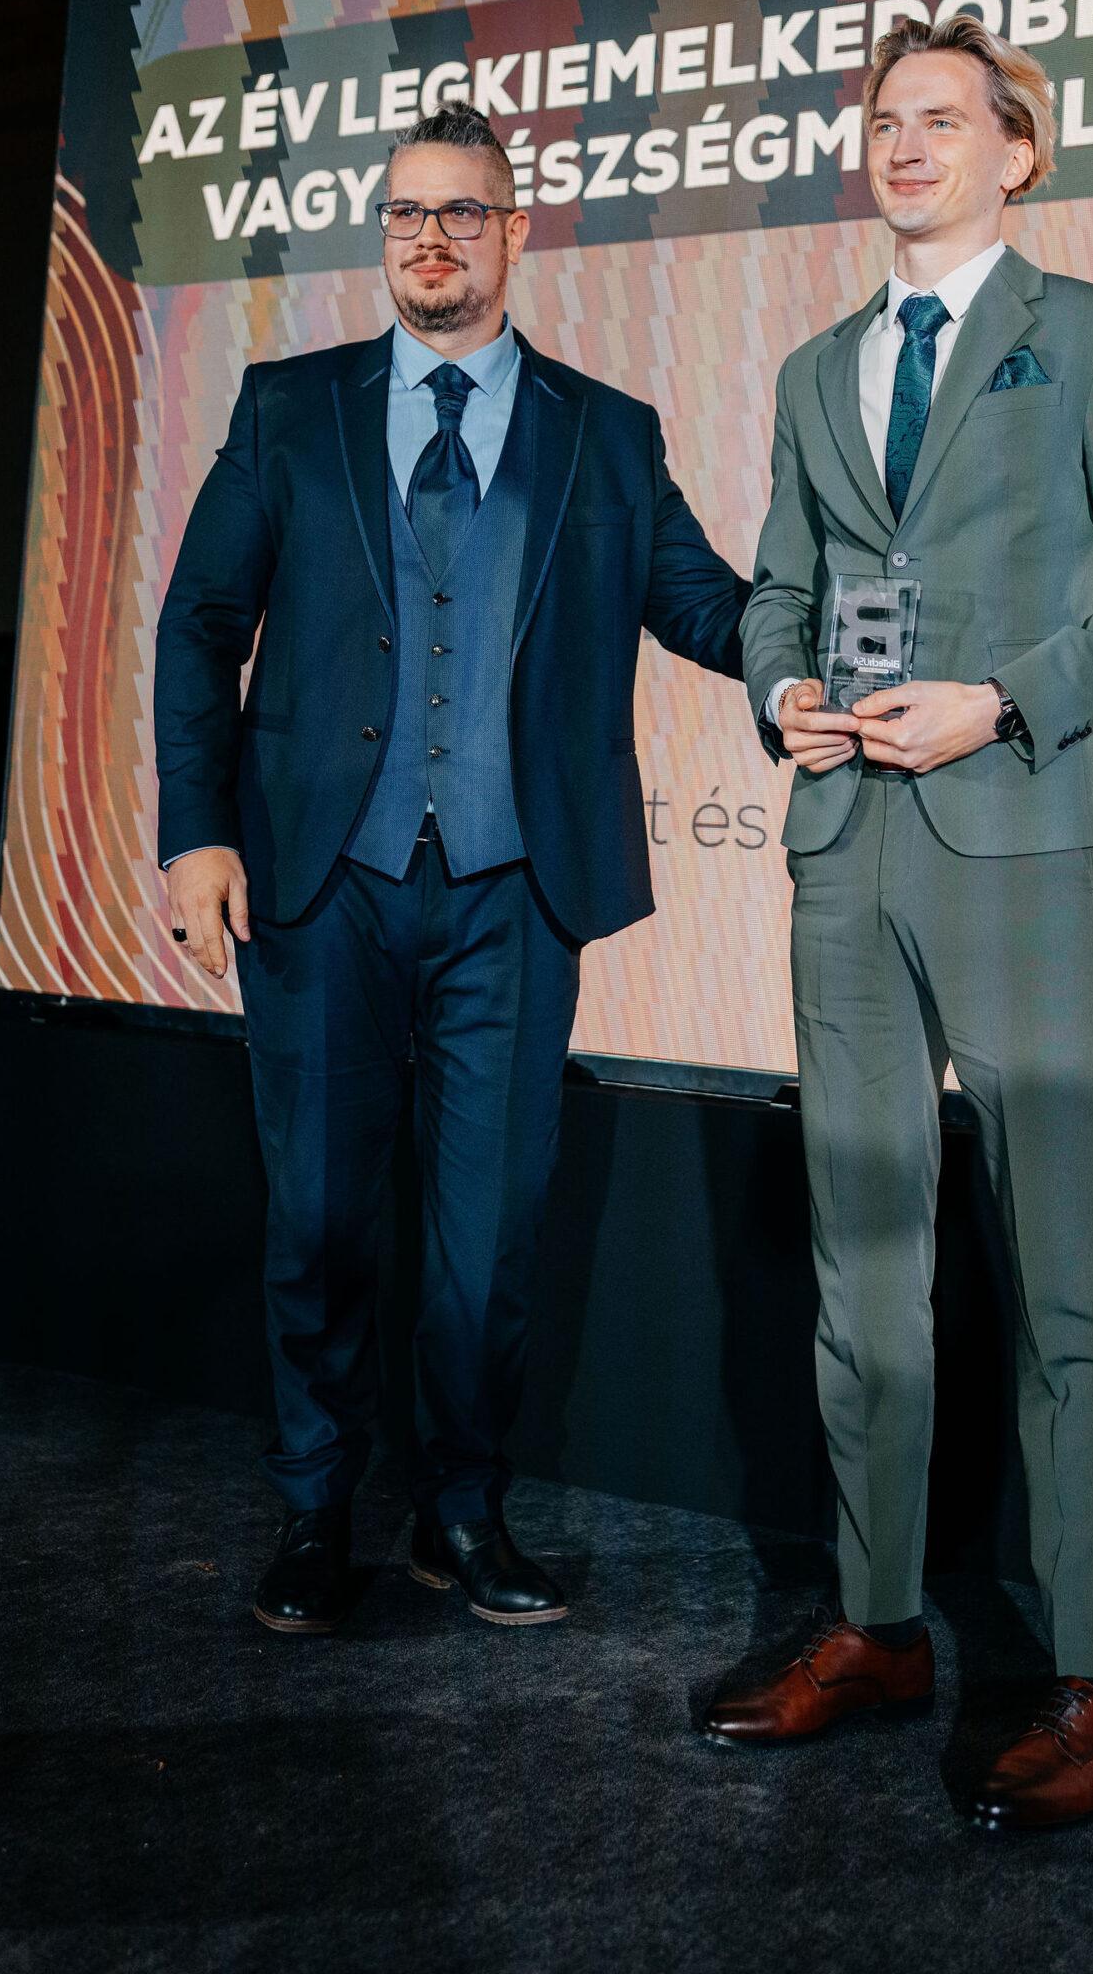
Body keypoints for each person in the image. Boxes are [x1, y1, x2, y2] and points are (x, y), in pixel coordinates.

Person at [710, 15, 1093, 1831]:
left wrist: (1001, 700)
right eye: (884, 117)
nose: (904, 141)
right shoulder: (815, 368)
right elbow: (779, 588)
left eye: (942, 117)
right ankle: (877, 1626)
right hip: (844, 841)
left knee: (1070, 1271)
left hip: (1013, 835)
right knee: (865, 1268)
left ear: (1019, 151)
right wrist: (780, 689)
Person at [155, 102, 747, 1636]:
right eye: (407, 213)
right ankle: (314, 1508)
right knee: (317, 1222)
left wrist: (815, 655)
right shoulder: (290, 408)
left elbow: (699, 600)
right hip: (318, 884)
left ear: (514, 231)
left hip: (514, 890)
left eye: (462, 213)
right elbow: (201, 624)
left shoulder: (605, 431)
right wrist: (197, 831)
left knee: (488, 1245)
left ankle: (462, 1512)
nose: (431, 238)